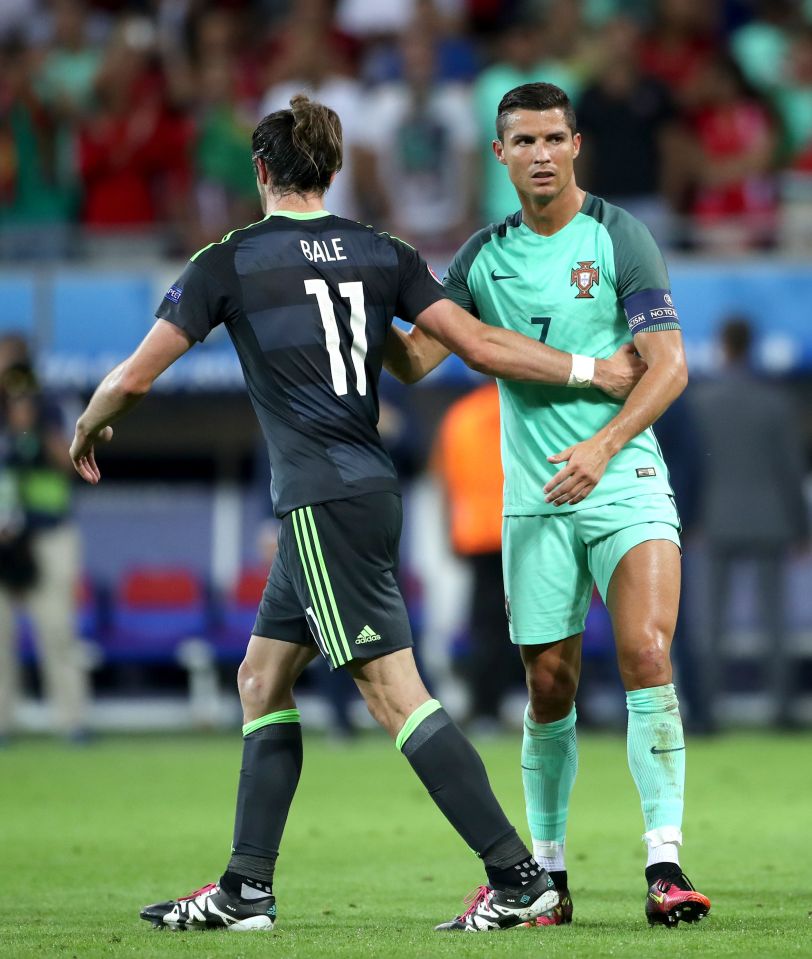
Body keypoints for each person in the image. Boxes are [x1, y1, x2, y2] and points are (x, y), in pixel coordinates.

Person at [68, 94, 645, 934]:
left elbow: (136, 375)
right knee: (261, 676)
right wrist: (594, 369)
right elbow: (460, 351)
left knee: (392, 690)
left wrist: (88, 420)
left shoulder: (228, 259)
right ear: (333, 171)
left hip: (321, 497)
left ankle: (521, 879)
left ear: (261, 171)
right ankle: (245, 889)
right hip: (362, 488)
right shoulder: (383, 252)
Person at [385, 82, 711, 928]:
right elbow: (417, 360)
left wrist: (603, 447)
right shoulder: (481, 259)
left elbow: (668, 365)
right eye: (522, 140)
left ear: (575, 146)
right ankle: (550, 880)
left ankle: (665, 865)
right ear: (499, 154)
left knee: (645, 649)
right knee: (548, 686)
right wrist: (366, 293)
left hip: (624, 477)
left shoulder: (618, 237)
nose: (539, 153)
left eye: (553, 138)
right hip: (535, 498)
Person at [692, 317, 809, 727]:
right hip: (771, 519)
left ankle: (707, 708)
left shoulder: (702, 400)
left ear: (723, 346)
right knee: (776, 619)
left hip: (715, 519)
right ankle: (782, 709)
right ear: (751, 346)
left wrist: (691, 517)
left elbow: (693, 468)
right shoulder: (774, 400)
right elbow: (791, 469)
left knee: (710, 621)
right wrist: (800, 527)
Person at [0, 334, 90, 743]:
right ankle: (4, 722)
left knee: (57, 630)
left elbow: (68, 463)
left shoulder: (51, 404)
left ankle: (70, 721)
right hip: (3, 537)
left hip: (50, 532)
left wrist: (32, 422)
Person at [431, 380, 519, 729]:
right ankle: (560, 707)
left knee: (484, 629)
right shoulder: (521, 408)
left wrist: (448, 534)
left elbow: (444, 482)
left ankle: (484, 708)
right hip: (520, 529)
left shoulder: (459, 416)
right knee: (542, 620)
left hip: (475, 534)